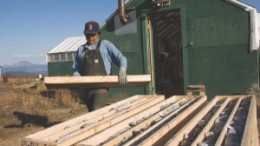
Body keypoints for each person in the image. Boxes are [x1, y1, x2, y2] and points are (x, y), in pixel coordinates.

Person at [73, 21, 127, 112]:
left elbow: (121, 59)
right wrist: (76, 77)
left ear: (98, 34)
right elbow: (76, 69)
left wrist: (122, 69)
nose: (90, 37)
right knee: (92, 112)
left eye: (93, 34)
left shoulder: (105, 45)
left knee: (96, 110)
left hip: (101, 87)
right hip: (87, 88)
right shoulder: (81, 49)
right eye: (88, 34)